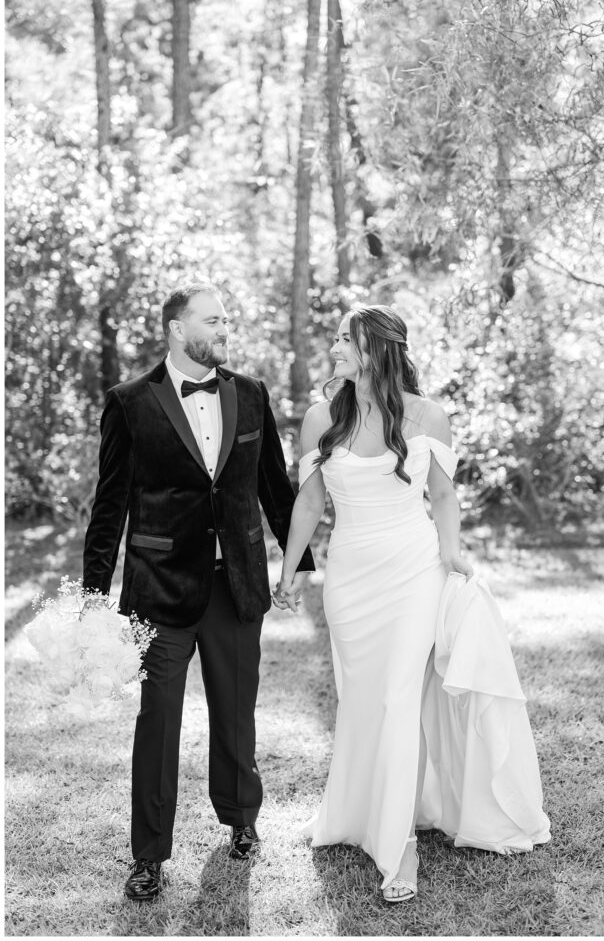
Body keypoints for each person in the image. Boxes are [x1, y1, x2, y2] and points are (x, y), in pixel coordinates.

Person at [274, 304, 550, 903]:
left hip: (412, 569)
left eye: (348, 339)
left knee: (400, 697)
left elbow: (444, 495)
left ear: (377, 349)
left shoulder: (428, 415)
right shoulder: (322, 415)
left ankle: (399, 846)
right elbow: (307, 503)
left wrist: (451, 555)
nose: (337, 346)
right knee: (363, 699)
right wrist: (293, 566)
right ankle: (353, 814)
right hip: (350, 578)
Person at [82, 282, 315, 901]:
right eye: (213, 319)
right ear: (178, 329)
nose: (225, 327)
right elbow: (110, 506)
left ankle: (241, 820)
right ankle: (150, 855)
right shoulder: (130, 402)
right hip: (160, 589)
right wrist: (93, 593)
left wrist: (300, 564)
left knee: (236, 710)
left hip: (236, 583)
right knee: (157, 719)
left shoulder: (251, 394)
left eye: (227, 319)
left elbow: (275, 489)